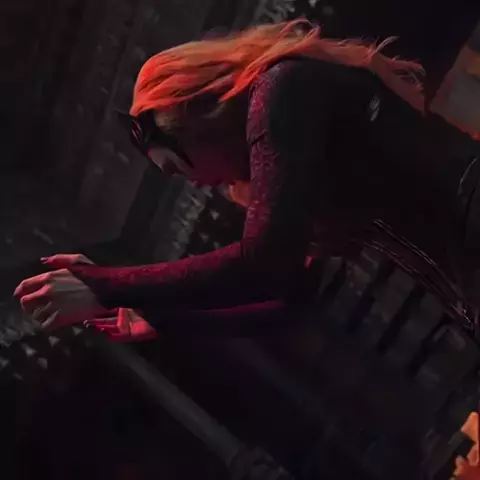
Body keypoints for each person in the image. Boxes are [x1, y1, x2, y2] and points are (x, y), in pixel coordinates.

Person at [13, 20, 480, 340]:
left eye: (176, 167)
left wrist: (103, 283)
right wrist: (158, 313)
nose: (194, 184)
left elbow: (263, 263)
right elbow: (288, 300)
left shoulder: (281, 91)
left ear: (190, 123)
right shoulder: (285, 129)